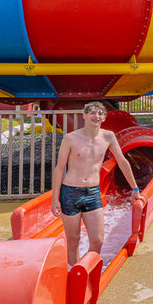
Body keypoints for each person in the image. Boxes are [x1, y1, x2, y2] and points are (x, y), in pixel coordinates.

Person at [51, 101, 139, 267]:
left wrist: (135, 188)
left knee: (97, 240)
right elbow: (59, 168)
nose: (96, 116)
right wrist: (55, 199)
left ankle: (88, 270)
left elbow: (122, 162)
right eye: (92, 113)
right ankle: (74, 273)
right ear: (84, 116)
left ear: (104, 117)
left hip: (92, 193)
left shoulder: (108, 137)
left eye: (99, 113)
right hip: (71, 193)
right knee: (73, 239)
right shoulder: (71, 138)